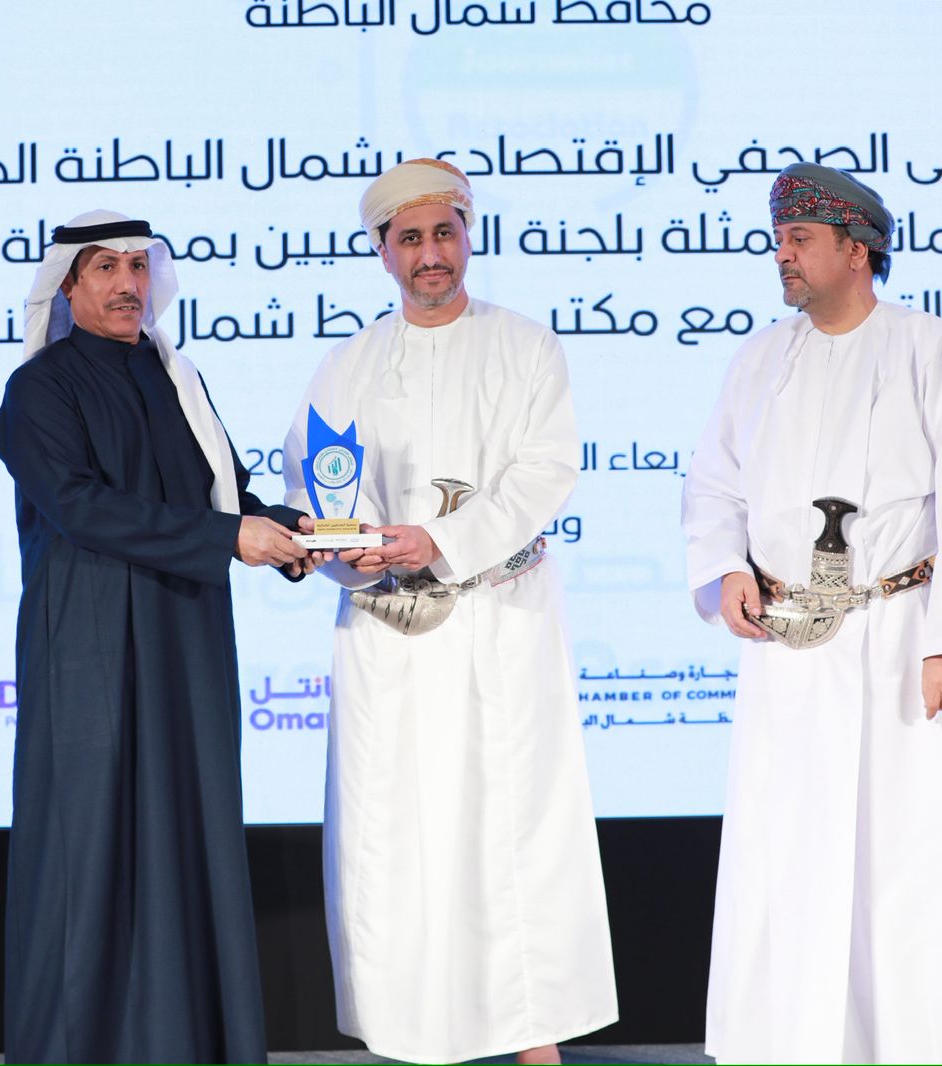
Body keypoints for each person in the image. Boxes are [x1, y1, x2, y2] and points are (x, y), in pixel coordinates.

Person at [283, 160, 618, 1065]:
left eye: (445, 233)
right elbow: (313, 483)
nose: (431, 254)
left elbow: (544, 472)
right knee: (394, 831)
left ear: (468, 236)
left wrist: (439, 539)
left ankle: (532, 1037)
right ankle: (406, 1032)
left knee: (514, 827)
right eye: (411, 239)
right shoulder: (348, 364)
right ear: (383, 252)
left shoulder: (526, 346)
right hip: (389, 631)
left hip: (500, 615)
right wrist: (349, 547)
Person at [0, 209, 318, 1064]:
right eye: (105, 268)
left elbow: (225, 496)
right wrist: (229, 538)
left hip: (186, 635)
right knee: (88, 847)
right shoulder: (40, 389)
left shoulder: (179, 379)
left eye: (138, 267)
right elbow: (82, 507)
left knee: (189, 831)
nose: (127, 284)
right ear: (68, 285)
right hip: (89, 641)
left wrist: (299, 534)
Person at [680, 163, 942, 1063]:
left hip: (895, 636)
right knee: (784, 846)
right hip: (785, 644)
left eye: (800, 239)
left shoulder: (926, 346)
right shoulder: (759, 359)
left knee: (897, 852)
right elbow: (712, 484)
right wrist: (723, 570)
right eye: (779, 239)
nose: (782, 255)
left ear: (857, 251)